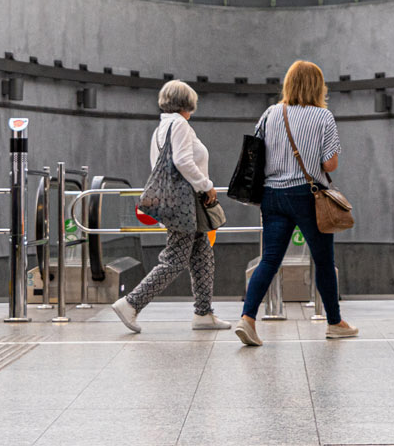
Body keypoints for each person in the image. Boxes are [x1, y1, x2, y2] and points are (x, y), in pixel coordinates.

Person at [235, 60, 357, 345]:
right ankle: (335, 322)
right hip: (307, 196)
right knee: (324, 262)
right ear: (318, 86)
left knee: (269, 260)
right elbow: (330, 163)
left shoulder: (270, 113)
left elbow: (257, 153)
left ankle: (247, 319)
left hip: (272, 195)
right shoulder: (323, 117)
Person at [112, 80, 232, 332]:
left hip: (181, 202)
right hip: (186, 202)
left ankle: (203, 313)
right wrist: (206, 185)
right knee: (175, 259)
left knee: (202, 255)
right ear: (188, 103)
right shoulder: (180, 124)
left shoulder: (161, 128)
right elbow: (183, 162)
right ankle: (131, 303)